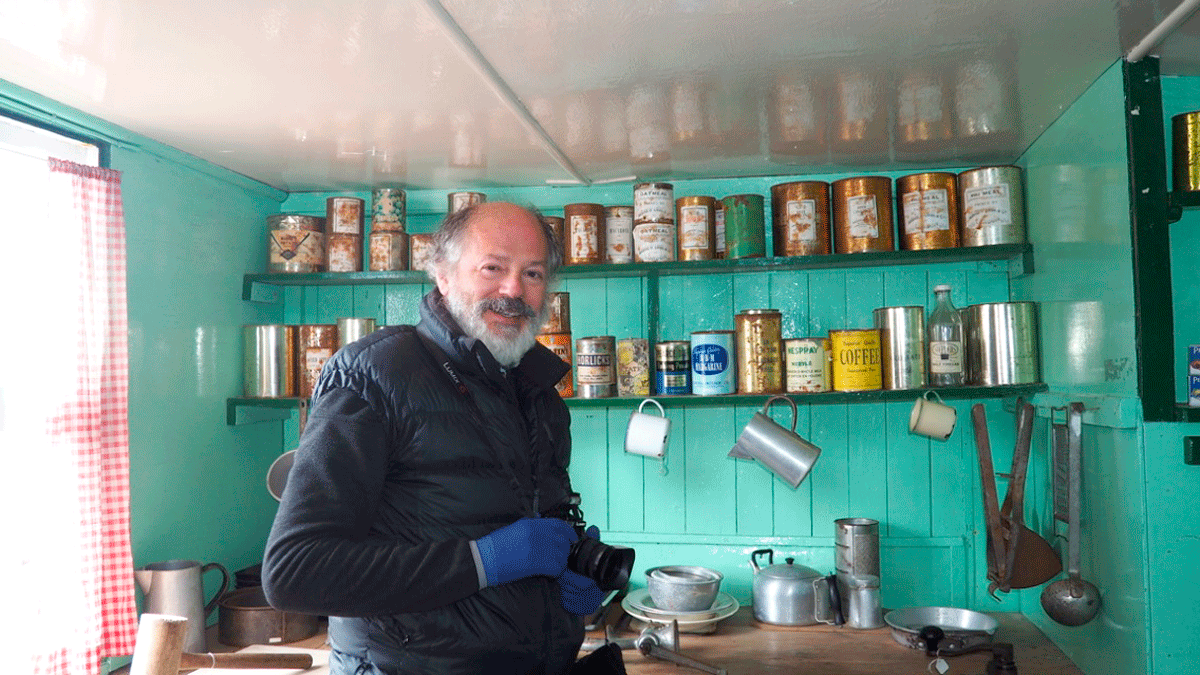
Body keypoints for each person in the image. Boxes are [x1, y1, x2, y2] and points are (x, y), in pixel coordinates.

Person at [262, 202, 607, 674]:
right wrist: (484, 561)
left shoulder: (538, 392)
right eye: (493, 268)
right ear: (443, 275)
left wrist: (569, 581)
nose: (514, 290)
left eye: (533, 273)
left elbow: (516, 525)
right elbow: (295, 572)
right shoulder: (375, 374)